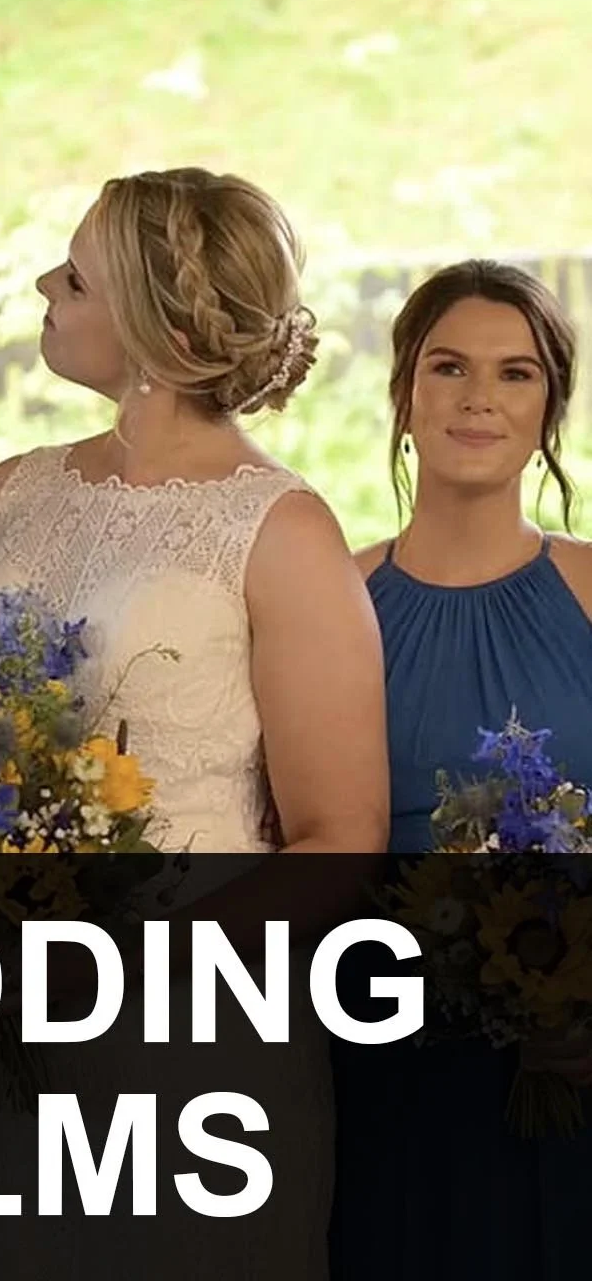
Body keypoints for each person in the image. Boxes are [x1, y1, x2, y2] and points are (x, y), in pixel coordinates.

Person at [0, 168, 389, 1279]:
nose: (44, 284)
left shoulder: (281, 531)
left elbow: (340, 836)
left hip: (192, 1041)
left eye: (72, 276)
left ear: (146, 325)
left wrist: (123, 969)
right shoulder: (4, 496)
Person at [331, 259, 592, 1279]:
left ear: (547, 408)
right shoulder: (335, 597)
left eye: (513, 373)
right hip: (386, 1064)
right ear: (402, 395)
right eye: (446, 366)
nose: (477, 396)